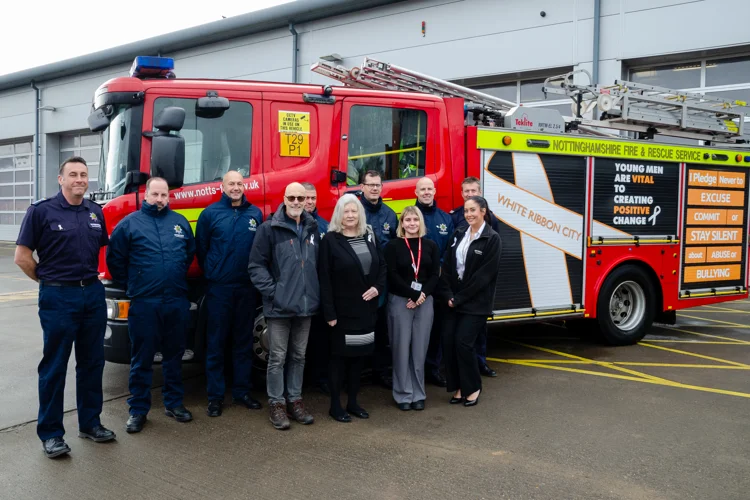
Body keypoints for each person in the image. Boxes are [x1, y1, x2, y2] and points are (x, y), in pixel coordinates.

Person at [15, 156, 116, 458]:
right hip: (59, 298)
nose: (79, 179)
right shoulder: (41, 211)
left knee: (92, 362)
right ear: (61, 179)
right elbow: (22, 257)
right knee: (55, 365)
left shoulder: (96, 212)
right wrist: (48, 282)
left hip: (93, 296)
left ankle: (90, 423)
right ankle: (51, 434)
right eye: (72, 174)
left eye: (84, 174)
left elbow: (99, 251)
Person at [106, 177, 196, 433]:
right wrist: (135, 284)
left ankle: (174, 403)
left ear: (169, 196)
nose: (159, 199)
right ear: (146, 195)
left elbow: (189, 254)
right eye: (155, 194)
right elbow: (116, 261)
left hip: (176, 301)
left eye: (164, 195)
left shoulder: (179, 223)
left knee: (174, 356)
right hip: (145, 303)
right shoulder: (129, 224)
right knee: (142, 358)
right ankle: (138, 410)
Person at [249, 182, 320, 430]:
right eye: (292, 197)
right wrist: (275, 294)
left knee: (299, 356)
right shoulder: (268, 229)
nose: (297, 201)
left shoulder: (313, 228)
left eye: (301, 197)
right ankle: (277, 405)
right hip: (279, 308)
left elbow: (317, 266)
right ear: (284, 198)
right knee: (277, 358)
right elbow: (256, 267)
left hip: (305, 306)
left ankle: (295, 401)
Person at [195, 171, 264, 417]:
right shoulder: (210, 214)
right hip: (219, 289)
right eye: (231, 184)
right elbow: (201, 249)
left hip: (246, 289)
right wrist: (215, 271)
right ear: (222, 187)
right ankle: (215, 397)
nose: (236, 187)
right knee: (216, 344)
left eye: (239, 183)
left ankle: (242, 392)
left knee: (243, 342)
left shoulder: (255, 214)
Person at [318, 194, 386, 422]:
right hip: (341, 314)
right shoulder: (330, 240)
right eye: (346, 211)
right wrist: (329, 312)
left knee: (359, 359)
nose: (350, 215)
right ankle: (336, 406)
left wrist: (378, 287)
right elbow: (324, 278)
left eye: (354, 211)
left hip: (365, 312)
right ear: (339, 214)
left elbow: (382, 266)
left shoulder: (368, 237)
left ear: (360, 214)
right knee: (339, 359)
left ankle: (354, 402)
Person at [441, 196, 502, 407]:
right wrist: (448, 294)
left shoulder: (492, 238)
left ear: (483, 211)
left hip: (475, 303)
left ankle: (473, 387)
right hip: (453, 300)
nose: (469, 214)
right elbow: (447, 266)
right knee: (449, 341)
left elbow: (483, 277)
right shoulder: (458, 234)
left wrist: (458, 299)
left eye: (473, 210)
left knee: (463, 343)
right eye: (466, 210)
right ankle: (458, 387)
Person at [384, 206, 440, 411]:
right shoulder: (392, 246)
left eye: (415, 220)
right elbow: (392, 275)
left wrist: (421, 296)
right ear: (402, 224)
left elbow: (435, 274)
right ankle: (402, 394)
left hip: (425, 302)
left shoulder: (431, 245)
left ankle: (418, 394)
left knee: (419, 350)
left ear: (420, 222)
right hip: (400, 301)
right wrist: (413, 294)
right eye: (407, 220)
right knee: (400, 349)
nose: (412, 224)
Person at [450, 177, 500, 378]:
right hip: (460, 289)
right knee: (461, 335)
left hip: (478, 289)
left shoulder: (491, 220)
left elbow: (492, 252)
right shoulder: (455, 218)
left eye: (473, 190)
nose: (470, 194)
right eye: (466, 191)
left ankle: (481, 363)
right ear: (462, 194)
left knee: (479, 332)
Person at [357, 170, 398, 389]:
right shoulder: (353, 212)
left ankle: (380, 371)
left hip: (382, 282)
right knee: (360, 327)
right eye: (370, 185)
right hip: (359, 282)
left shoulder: (390, 215)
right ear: (361, 187)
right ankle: (358, 370)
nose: (374, 188)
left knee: (381, 330)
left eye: (378, 185)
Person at [414, 177, 453, 388]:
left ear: (435, 191)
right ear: (416, 192)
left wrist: (440, 269)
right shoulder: (411, 216)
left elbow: (450, 250)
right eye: (423, 189)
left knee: (437, 327)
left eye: (430, 189)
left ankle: (433, 368)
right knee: (416, 328)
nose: (427, 192)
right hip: (416, 283)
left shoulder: (445, 219)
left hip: (439, 282)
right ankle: (415, 369)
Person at [301, 182, 330, 394]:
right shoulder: (290, 223)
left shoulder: (325, 226)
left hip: (319, 290)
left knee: (320, 339)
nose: (309, 202)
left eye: (313, 198)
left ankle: (319, 378)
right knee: (297, 341)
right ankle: (298, 382)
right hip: (297, 292)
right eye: (305, 198)